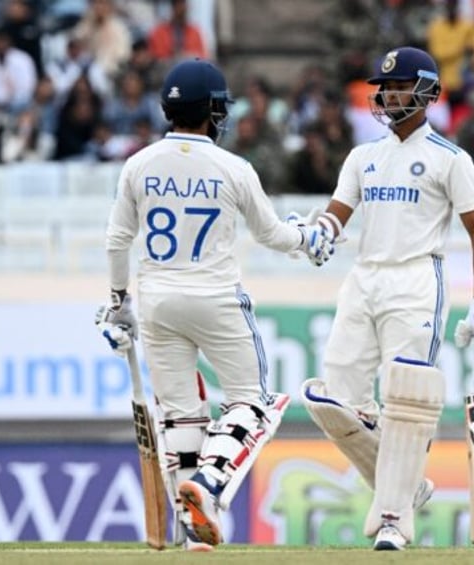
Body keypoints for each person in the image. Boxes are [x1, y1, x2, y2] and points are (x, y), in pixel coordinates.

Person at [94, 58, 335, 550]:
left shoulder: (138, 164)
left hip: (157, 300)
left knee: (181, 415)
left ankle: (191, 531)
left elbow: (117, 240)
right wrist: (310, 239)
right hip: (217, 299)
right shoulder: (233, 167)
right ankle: (207, 485)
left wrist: (119, 302)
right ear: (213, 113)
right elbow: (271, 233)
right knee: (254, 401)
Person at [295, 46, 474, 551]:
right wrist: (317, 234)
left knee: (406, 403)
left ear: (427, 92)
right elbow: (336, 214)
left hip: (417, 281)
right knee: (331, 401)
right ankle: (408, 485)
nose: (389, 94)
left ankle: (393, 519)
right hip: (364, 279)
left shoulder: (450, 159)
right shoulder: (363, 156)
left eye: (400, 85)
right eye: (385, 86)